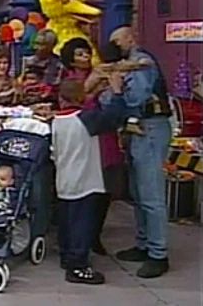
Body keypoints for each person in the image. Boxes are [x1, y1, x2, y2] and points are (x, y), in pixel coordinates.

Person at [108, 25, 172, 278]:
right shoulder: (126, 65)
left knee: (151, 193)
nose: (114, 46)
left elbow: (136, 97)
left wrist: (117, 89)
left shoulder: (142, 63)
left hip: (151, 127)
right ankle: (144, 243)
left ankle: (158, 253)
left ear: (130, 38)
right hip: (137, 129)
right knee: (137, 192)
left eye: (117, 41)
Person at [52, 75, 126, 285]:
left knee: (67, 223)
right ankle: (78, 266)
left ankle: (67, 257)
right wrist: (117, 92)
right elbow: (114, 117)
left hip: (64, 179)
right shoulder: (86, 119)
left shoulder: (57, 120)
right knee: (82, 225)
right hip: (85, 180)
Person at [60, 37, 123, 256]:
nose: (85, 57)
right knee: (86, 195)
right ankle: (81, 241)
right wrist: (92, 89)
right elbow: (72, 104)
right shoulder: (69, 79)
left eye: (87, 52)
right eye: (79, 54)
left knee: (105, 189)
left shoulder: (100, 72)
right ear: (71, 59)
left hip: (105, 138)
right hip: (84, 140)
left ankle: (95, 235)